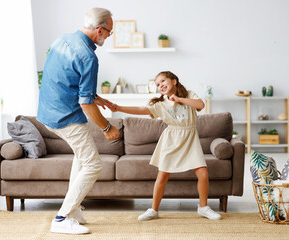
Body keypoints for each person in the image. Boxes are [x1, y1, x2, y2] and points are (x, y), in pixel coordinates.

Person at [37, 8, 119, 235]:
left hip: (47, 112)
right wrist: (107, 127)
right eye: (109, 33)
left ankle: (73, 211)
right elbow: (85, 103)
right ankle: (62, 218)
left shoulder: (62, 40)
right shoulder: (88, 56)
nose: (108, 37)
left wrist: (98, 98)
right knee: (93, 164)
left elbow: (66, 80)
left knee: (82, 159)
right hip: (66, 116)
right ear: (100, 29)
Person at [109, 71, 221, 221]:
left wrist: (179, 99)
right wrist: (118, 108)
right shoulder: (160, 104)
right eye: (157, 84)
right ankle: (153, 210)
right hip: (171, 139)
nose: (160, 85)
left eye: (163, 81)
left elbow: (200, 105)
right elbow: (141, 110)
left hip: (190, 137)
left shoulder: (188, 94)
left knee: (203, 173)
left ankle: (203, 207)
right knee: (162, 176)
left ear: (174, 81)